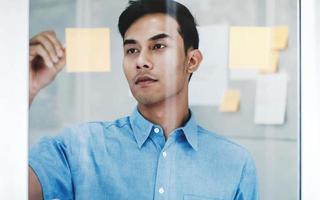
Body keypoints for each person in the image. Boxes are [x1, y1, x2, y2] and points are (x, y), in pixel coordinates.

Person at [28, 0, 259, 199]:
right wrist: (26, 89)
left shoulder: (234, 163)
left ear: (192, 61)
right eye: (131, 50)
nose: (141, 61)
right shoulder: (79, 148)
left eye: (158, 46)